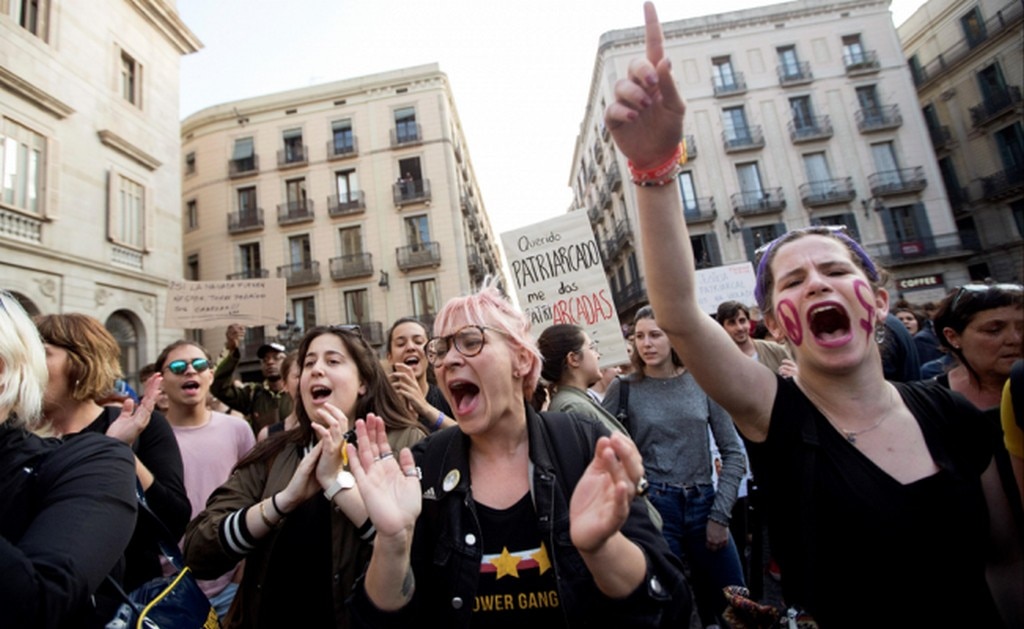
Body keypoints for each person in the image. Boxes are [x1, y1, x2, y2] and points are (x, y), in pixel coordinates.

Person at [604, 5, 1023, 624]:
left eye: (834, 272)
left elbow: (1006, 561)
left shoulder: (954, 417)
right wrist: (653, 171)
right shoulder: (779, 414)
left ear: (876, 302)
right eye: (794, 281)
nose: (817, 283)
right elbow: (681, 316)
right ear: (775, 322)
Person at [346, 280, 690, 628]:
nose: (448, 360)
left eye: (470, 341)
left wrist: (601, 548)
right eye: (441, 349)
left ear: (521, 360)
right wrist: (392, 542)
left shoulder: (582, 445)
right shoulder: (425, 466)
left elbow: (670, 602)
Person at [184, 325, 426, 628]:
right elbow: (198, 550)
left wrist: (336, 483)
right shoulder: (273, 452)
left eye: (333, 361)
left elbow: (419, 558)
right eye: (309, 363)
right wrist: (282, 502)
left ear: (363, 381)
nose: (316, 371)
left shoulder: (405, 444)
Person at [34, 313, 191, 618]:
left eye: (42, 353)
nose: (27, 365)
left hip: (125, 608)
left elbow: (173, 520)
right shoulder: (17, 437)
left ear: (81, 361)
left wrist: (116, 451)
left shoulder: (143, 426)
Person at [0, 292, 138, 628]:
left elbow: (40, 604)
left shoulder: (92, 459)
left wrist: (122, 447)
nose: (38, 364)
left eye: (46, 353)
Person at [602, 305, 746, 628]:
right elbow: (604, 449)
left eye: (655, 334)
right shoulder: (623, 388)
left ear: (674, 338)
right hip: (656, 508)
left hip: (705, 502)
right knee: (671, 609)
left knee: (739, 605)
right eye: (639, 336)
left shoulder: (703, 381)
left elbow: (733, 453)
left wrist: (720, 516)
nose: (646, 343)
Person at [156, 339, 256, 620]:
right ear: (161, 380)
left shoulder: (238, 429)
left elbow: (255, 498)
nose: (190, 371)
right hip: (168, 586)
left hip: (230, 584)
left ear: (210, 375)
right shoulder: (148, 437)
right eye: (178, 367)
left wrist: (242, 571)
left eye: (199, 365)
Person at [211, 323, 294, 435]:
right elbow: (218, 388)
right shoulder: (252, 394)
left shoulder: (298, 392)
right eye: (265, 359)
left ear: (287, 363)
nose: (270, 362)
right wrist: (231, 351)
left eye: (276, 358)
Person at [385, 317, 454, 432]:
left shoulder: (448, 396)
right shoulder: (379, 405)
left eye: (418, 342)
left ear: (430, 352)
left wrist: (425, 408)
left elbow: (472, 437)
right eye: (401, 344)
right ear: (389, 357)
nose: (410, 347)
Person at [715, 300, 794, 377]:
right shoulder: (719, 361)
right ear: (722, 328)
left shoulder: (775, 350)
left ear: (749, 322)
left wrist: (796, 375)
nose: (739, 327)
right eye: (732, 323)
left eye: (742, 321)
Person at [256, 350, 300, 441]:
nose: (270, 362)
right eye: (298, 376)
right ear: (285, 384)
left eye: (276, 358)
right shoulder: (255, 394)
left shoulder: (333, 427)